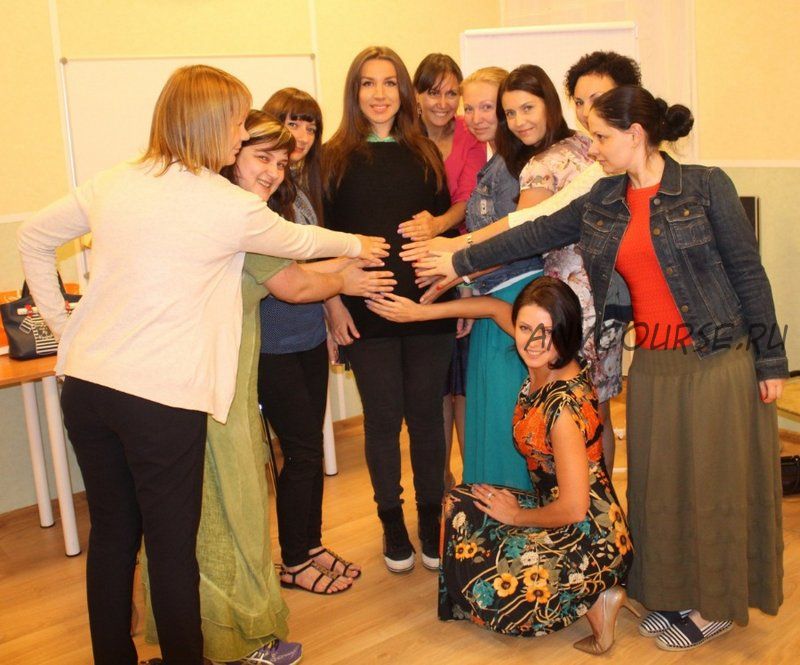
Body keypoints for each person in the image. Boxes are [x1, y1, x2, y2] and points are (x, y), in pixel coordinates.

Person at [16, 64, 386, 665]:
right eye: (237, 124)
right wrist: (359, 244)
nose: (241, 136)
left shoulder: (117, 180)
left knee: (113, 534)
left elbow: (32, 237)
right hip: (159, 399)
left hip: (86, 387)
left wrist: (66, 334)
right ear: (210, 123)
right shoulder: (222, 203)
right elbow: (299, 243)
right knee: (171, 546)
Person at [419, 85, 788, 651]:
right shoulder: (605, 199)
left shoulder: (705, 185)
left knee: (712, 487)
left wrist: (770, 360)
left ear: (635, 134)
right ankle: (671, 591)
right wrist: (459, 261)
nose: (592, 148)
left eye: (600, 136)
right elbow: (534, 230)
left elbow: (747, 271)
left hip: (718, 357)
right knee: (661, 486)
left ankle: (714, 604)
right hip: (656, 363)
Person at [402, 51, 643, 472]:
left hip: (573, 302)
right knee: (591, 410)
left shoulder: (554, 161)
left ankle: (582, 505)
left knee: (575, 411)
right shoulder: (582, 148)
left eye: (523, 108)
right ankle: (592, 504)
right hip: (585, 295)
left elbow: (524, 229)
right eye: (509, 112)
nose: (515, 120)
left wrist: (457, 258)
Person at [369, 277, 634, 653]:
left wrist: (517, 517)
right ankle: (588, 593)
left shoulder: (563, 408)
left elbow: (575, 508)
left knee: (492, 590)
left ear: (566, 330)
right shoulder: (545, 357)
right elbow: (492, 308)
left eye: (545, 331)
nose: (533, 341)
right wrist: (419, 313)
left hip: (589, 537)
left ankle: (597, 595)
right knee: (459, 505)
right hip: (557, 513)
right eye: (524, 328)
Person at [322, 46, 453, 574]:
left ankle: (430, 517)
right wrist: (333, 302)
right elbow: (317, 240)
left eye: (389, 82)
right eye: (368, 83)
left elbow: (445, 229)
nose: (379, 94)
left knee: (426, 420)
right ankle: (391, 521)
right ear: (354, 92)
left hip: (426, 306)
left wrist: (451, 287)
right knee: (381, 420)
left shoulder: (425, 153)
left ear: (403, 91)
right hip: (366, 308)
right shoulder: (332, 158)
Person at [257, 90, 370, 592]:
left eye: (309, 126)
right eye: (291, 124)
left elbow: (315, 268)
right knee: (301, 452)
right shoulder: (261, 199)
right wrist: (349, 267)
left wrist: (327, 319)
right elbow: (296, 272)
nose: (301, 136)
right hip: (272, 344)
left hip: (305, 337)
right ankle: (293, 560)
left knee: (311, 450)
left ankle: (311, 544)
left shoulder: (298, 190)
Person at [405, 53, 488, 491]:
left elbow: (468, 200)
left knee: (465, 384)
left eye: (451, 93)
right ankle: (437, 485)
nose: (443, 102)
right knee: (430, 385)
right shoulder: (402, 133)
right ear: (417, 95)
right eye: (433, 92)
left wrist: (438, 227)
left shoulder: (468, 134)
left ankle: (472, 486)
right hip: (415, 268)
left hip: (462, 263)